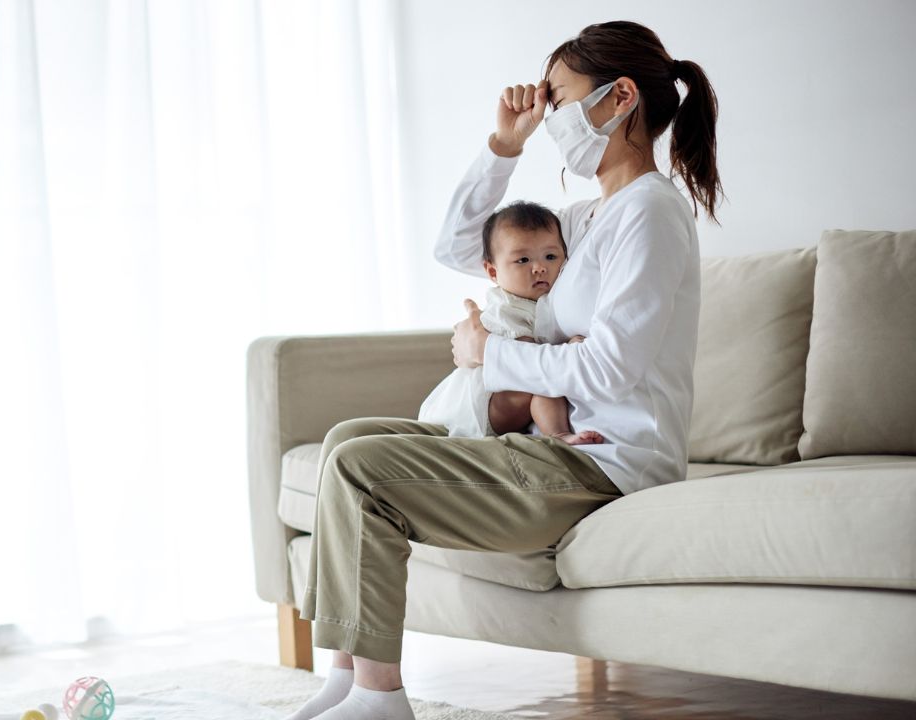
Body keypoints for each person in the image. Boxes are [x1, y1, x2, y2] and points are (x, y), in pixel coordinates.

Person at [284, 20, 722, 720]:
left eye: (560, 99)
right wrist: (505, 146)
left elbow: (610, 369)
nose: (552, 117)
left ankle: (379, 701)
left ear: (620, 98)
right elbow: (460, 247)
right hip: (549, 447)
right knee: (347, 439)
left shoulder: (651, 214)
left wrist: (488, 353)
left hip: (604, 464)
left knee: (362, 467)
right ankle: (346, 679)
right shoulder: (585, 220)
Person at [418, 200, 603, 445]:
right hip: (486, 406)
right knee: (542, 382)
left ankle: (559, 436)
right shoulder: (505, 307)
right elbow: (523, 359)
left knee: (545, 382)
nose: (539, 267)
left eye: (550, 256)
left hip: (513, 410)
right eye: (523, 260)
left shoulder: (548, 302)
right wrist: (568, 348)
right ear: (493, 272)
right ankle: (558, 434)